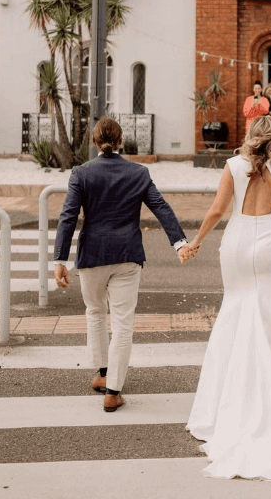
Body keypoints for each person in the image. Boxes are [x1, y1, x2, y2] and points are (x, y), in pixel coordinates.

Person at [181, 114, 271, 480]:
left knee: (233, 310)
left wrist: (195, 242)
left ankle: (221, 402)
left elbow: (217, 210)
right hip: (268, 245)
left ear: (251, 135)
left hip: (237, 243)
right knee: (268, 316)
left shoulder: (233, 166)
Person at [53, 116, 188, 412]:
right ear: (121, 141)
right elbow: (160, 207)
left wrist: (60, 259)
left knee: (95, 312)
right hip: (127, 254)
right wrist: (179, 243)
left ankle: (103, 373)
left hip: (92, 255)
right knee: (123, 323)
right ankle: (113, 391)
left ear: (94, 142)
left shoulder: (81, 173)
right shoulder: (138, 172)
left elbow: (68, 215)